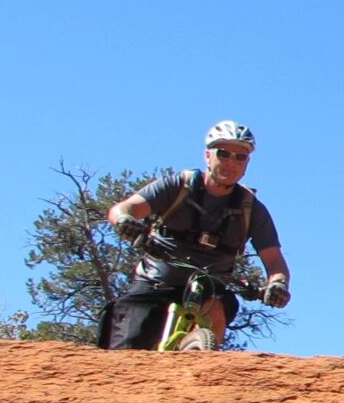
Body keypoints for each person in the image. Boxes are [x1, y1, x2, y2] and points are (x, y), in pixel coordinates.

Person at [103, 121, 292, 349]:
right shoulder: (178, 186)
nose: (231, 162)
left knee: (218, 307)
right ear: (207, 155)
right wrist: (125, 221)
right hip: (158, 280)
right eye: (223, 153)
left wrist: (278, 285)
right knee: (128, 347)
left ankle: (203, 368)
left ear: (247, 163)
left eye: (240, 157)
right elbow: (123, 209)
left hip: (210, 287)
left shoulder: (251, 209)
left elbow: (274, 260)